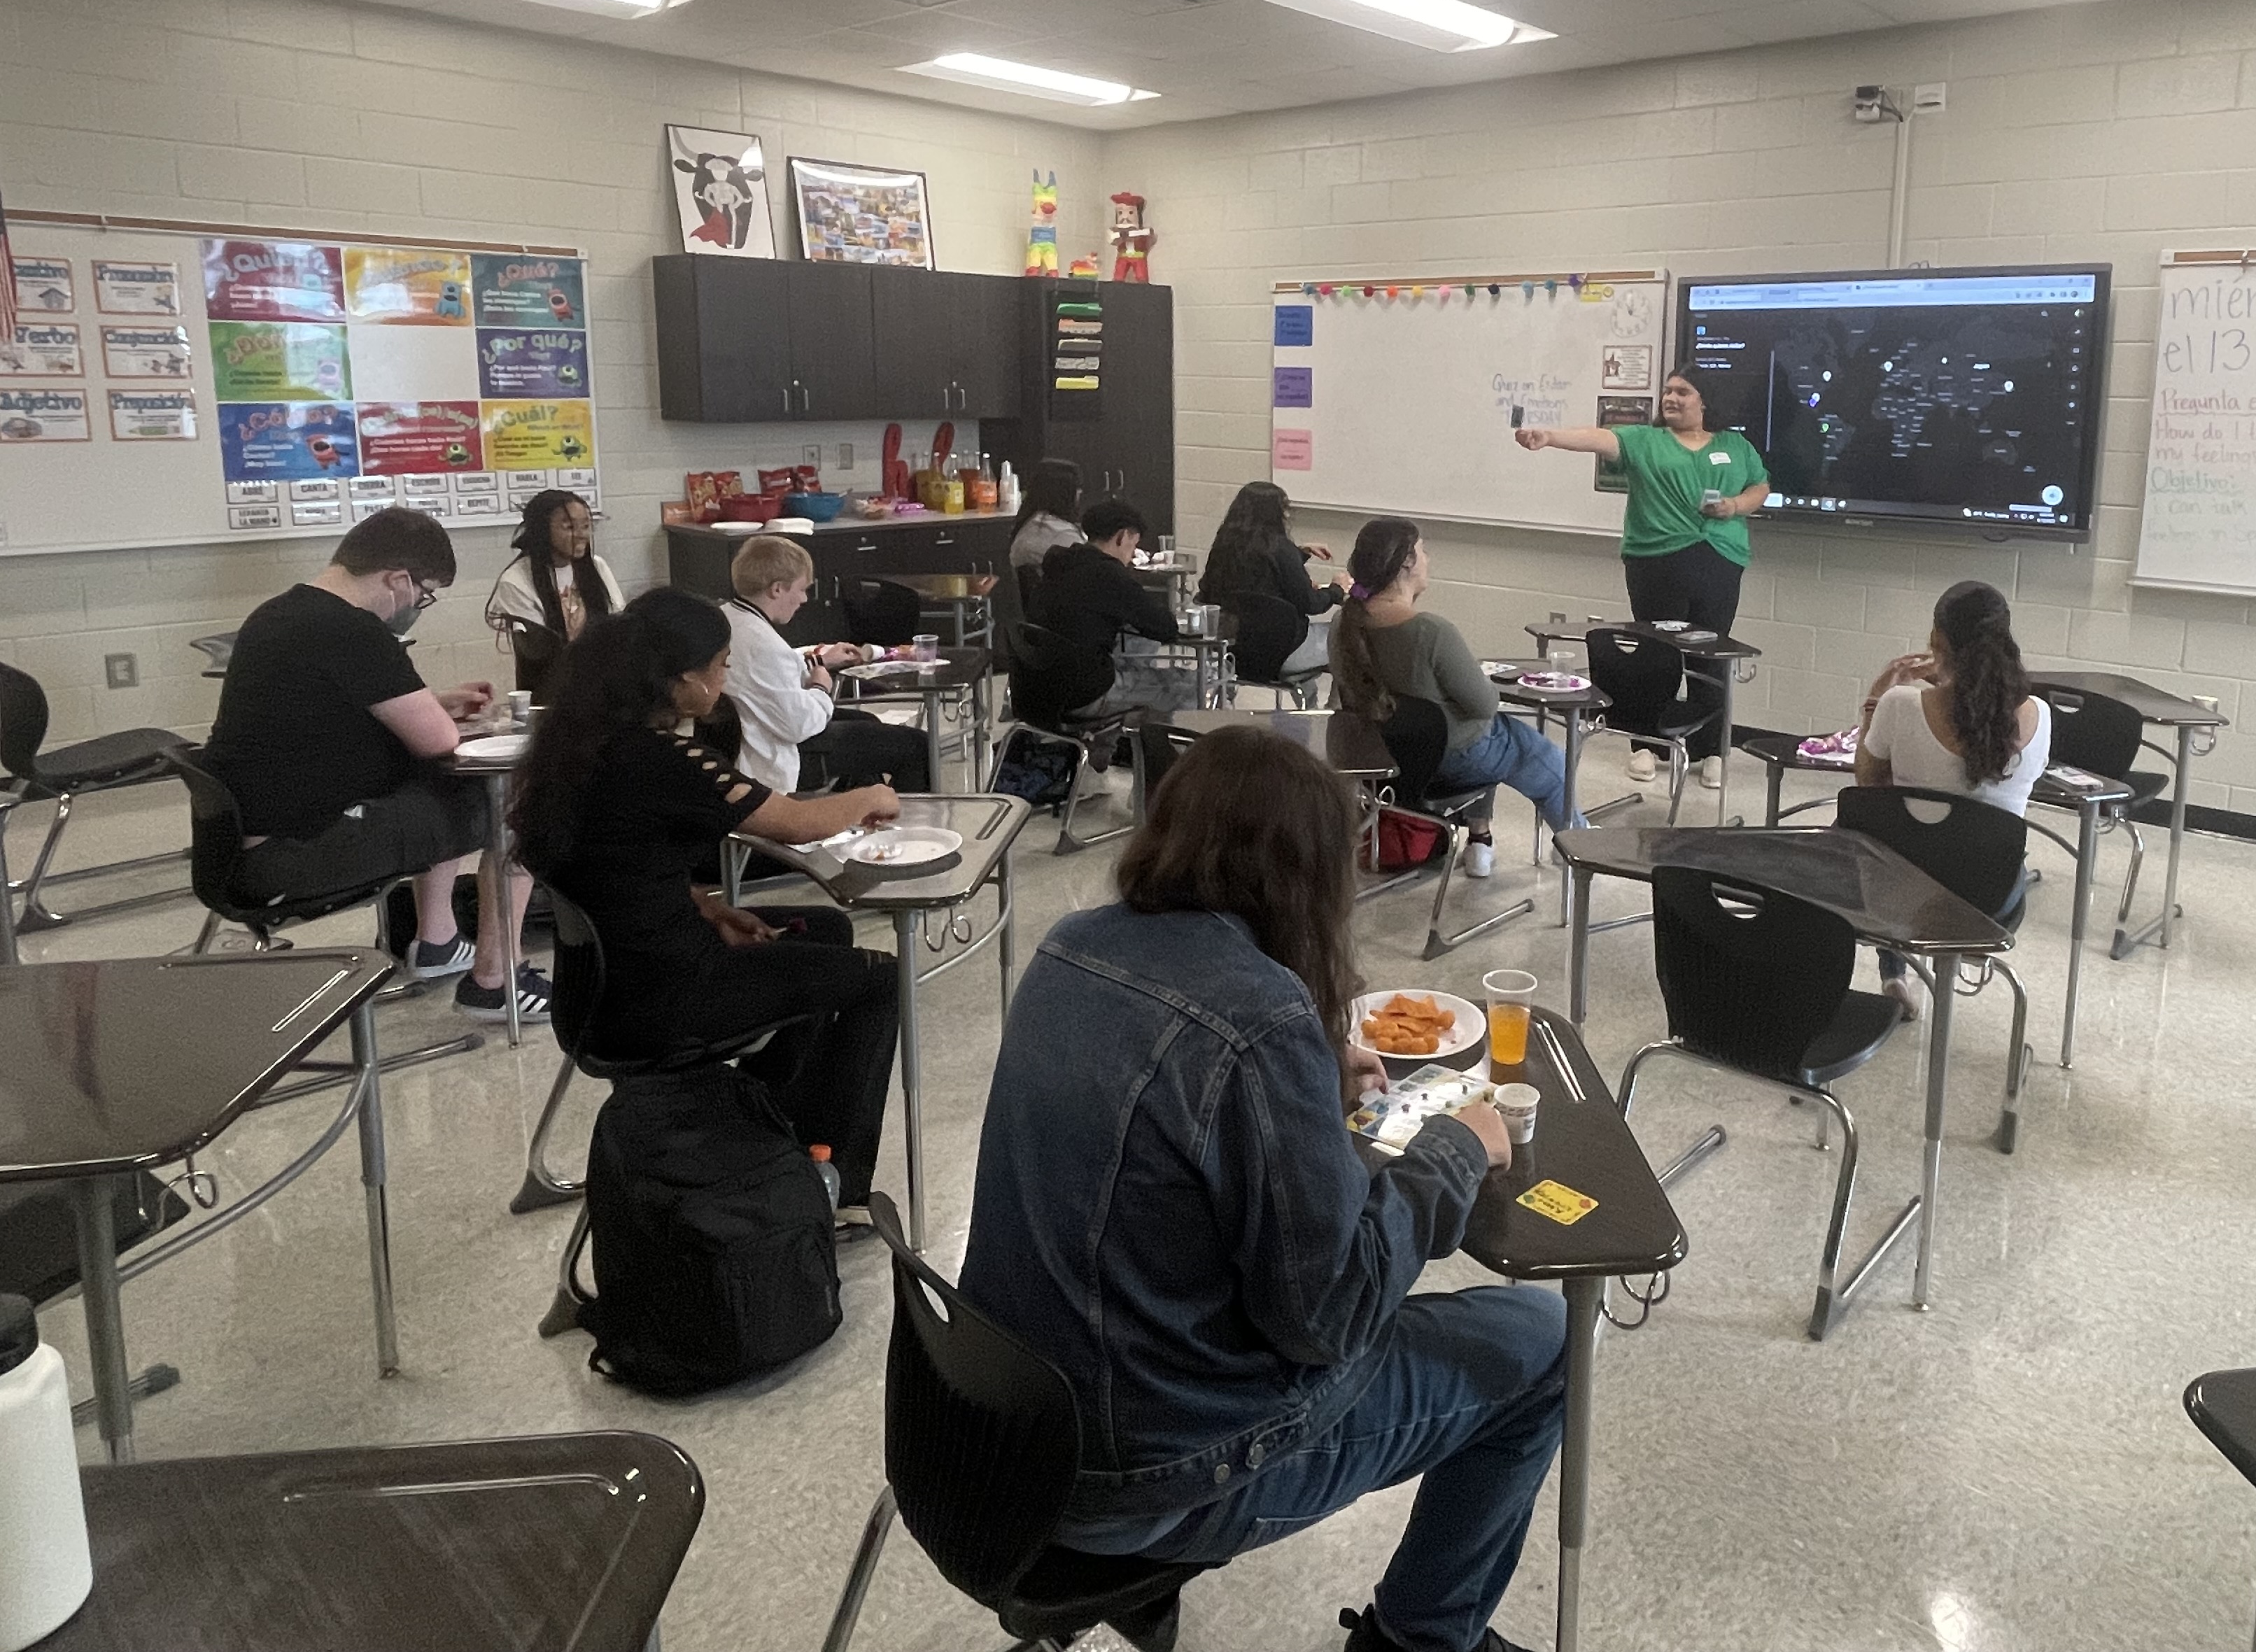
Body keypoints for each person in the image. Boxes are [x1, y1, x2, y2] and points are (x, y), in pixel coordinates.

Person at [958, 726, 1558, 1652]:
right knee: (1546, 1341)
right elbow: (1326, 1317)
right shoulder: (1260, 1017)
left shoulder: (1071, 945)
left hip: (997, 1432)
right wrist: (1452, 1146)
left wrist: (1311, 1075)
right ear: (1309, 875)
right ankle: (1420, 1637)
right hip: (1153, 1474)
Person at [509, 588, 903, 1222]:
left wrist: (707, 906)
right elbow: (796, 822)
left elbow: (612, 867)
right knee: (879, 979)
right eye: (721, 664)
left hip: (596, 993)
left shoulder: (576, 745)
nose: (725, 676)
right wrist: (870, 798)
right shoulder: (666, 758)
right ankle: (836, 1185)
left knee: (824, 929)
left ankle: (763, 1121)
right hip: (663, 998)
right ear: (682, 679)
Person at [206, 507, 540, 1020]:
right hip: (294, 857)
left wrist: (438, 701)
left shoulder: (280, 614)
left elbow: (339, 711)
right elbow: (438, 741)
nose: (418, 606)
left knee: (438, 789)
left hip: (245, 847)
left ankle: (438, 943)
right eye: (424, 595)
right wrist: (443, 717)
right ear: (397, 580)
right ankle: (497, 982)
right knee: (514, 802)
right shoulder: (355, 632)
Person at [1513, 370, 1768, 787]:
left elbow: (1761, 485)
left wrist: (1735, 506)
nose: (1671, 397)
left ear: (1705, 402)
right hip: (1656, 560)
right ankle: (1646, 745)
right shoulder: (1644, 441)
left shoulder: (1734, 445)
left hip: (1720, 559)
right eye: (1667, 390)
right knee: (1654, 655)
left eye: (1682, 392)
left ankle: (1711, 752)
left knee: (1711, 655)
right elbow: (1599, 439)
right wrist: (1551, 436)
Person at [1330, 518, 1583, 870]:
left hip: (1378, 761)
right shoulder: (1431, 632)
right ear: (1407, 563)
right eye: (1423, 551)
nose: (1429, 559)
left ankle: (1481, 840)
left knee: (1494, 735)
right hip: (1451, 759)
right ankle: (1579, 846)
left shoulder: (1344, 625)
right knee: (1539, 754)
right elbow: (1484, 704)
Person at [1852, 580, 2052, 1020]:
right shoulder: (2039, 714)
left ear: (1937, 641)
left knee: (1888, 834)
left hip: (1899, 894)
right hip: (1991, 899)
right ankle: (1953, 949)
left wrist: (1876, 698)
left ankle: (1894, 971)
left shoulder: (1900, 703)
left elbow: (1866, 782)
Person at [719, 534, 929, 795]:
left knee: (869, 722)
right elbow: (799, 725)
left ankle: (859, 805)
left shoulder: (728, 618)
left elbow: (771, 673)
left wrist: (821, 660)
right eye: (801, 589)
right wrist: (820, 687)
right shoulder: (764, 645)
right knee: (917, 745)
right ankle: (911, 825)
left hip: (749, 735)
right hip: (779, 754)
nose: (805, 599)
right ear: (777, 589)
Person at [1034, 497, 1194, 716]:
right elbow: (1165, 627)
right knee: (1189, 686)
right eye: (1134, 544)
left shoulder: (1060, 564)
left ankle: (1123, 743)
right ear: (1122, 537)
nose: (1130, 556)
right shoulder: (1109, 574)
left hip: (1041, 688)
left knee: (1138, 650)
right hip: (1087, 692)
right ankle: (1175, 749)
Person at [483, 488, 622, 699]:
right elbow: (541, 656)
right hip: (551, 694)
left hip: (604, 688)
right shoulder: (516, 581)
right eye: (569, 527)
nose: (582, 535)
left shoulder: (597, 567)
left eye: (586, 526)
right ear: (542, 530)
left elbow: (619, 627)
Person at [1199, 479, 1339, 680]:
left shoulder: (1224, 547)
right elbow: (1311, 604)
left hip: (1234, 653)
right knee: (1348, 638)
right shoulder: (1281, 548)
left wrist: (1299, 553)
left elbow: (1215, 589)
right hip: (1283, 651)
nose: (1287, 515)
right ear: (1275, 514)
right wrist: (1336, 590)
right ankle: (1334, 708)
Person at [1008, 457, 1086, 577]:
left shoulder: (1029, 524)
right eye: (1077, 491)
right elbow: (1092, 568)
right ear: (1065, 495)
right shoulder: (1063, 535)